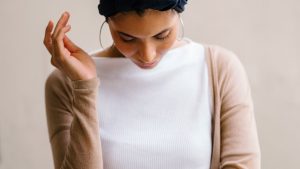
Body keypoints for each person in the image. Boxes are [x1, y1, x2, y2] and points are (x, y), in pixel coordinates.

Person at [43, 0, 261, 169]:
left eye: (162, 35)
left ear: (178, 16)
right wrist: (85, 87)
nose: (147, 56)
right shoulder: (65, 83)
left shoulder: (219, 69)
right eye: (127, 38)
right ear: (108, 22)